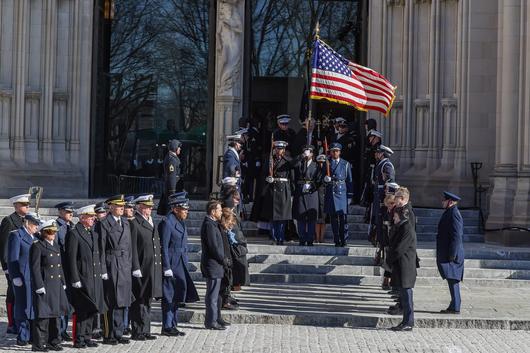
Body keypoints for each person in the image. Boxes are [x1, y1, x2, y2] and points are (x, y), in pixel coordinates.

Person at [159, 192, 200, 336]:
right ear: (175, 209)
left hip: (181, 262)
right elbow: (163, 246)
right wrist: (166, 267)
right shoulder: (167, 222)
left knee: (177, 296)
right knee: (169, 296)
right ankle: (167, 326)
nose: (186, 212)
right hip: (171, 263)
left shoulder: (180, 221)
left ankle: (173, 324)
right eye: (184, 209)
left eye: (187, 209)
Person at [65, 204, 106, 348]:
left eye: (94, 216)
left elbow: (97, 256)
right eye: (91, 217)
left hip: (94, 277)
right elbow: (71, 258)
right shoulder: (74, 233)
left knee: (92, 308)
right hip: (82, 277)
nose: (94, 219)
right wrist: (75, 278)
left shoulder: (93, 233)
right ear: (82, 218)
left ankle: (88, 336)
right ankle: (79, 338)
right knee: (82, 309)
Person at [96, 194, 134, 345]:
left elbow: (129, 247)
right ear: (111, 207)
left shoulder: (125, 222)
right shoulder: (103, 223)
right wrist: (103, 269)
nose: (122, 208)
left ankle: (118, 333)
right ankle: (108, 334)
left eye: (122, 206)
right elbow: (101, 248)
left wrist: (130, 265)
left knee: (121, 301)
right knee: (110, 301)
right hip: (111, 263)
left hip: (124, 264)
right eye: (119, 206)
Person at [30, 220, 70, 352]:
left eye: (54, 231)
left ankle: (53, 341)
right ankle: (39, 344)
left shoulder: (56, 246)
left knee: (55, 316)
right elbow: (35, 268)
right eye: (50, 232)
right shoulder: (38, 246)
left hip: (56, 285)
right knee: (43, 317)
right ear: (43, 233)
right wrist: (39, 285)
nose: (53, 234)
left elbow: (60, 266)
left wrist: (63, 281)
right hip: (45, 285)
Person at [129, 194, 163, 340]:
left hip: (152, 267)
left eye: (150, 207)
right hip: (141, 267)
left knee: (147, 299)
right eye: (147, 207)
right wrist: (135, 266)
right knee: (139, 300)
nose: (150, 209)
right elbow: (133, 247)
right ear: (140, 207)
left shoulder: (150, 221)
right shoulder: (134, 223)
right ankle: (137, 330)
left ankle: (146, 330)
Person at [8, 212, 42, 346]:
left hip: (34, 277)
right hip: (22, 276)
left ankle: (32, 334)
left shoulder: (36, 237)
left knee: (33, 306)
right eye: (34, 224)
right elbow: (12, 258)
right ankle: (22, 336)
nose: (36, 227)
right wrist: (15, 276)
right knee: (22, 307)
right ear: (27, 223)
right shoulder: (16, 235)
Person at [0, 193, 30, 334]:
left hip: (25, 264)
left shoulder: (28, 220)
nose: (27, 206)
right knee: (13, 294)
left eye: (28, 204)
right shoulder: (9, 221)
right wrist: (6, 268)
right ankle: (12, 323)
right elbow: (4, 245)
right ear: (16, 206)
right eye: (24, 204)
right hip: (13, 264)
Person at [200, 200, 230, 330]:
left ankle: (217, 317)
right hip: (212, 265)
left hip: (217, 265)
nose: (220, 212)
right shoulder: (209, 225)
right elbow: (213, 246)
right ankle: (210, 321)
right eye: (218, 210)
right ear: (213, 212)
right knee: (212, 295)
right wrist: (223, 259)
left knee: (217, 295)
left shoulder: (214, 224)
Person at [386, 206, 417, 331]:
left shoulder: (407, 228)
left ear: (401, 216)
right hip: (401, 266)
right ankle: (405, 321)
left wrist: (388, 260)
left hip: (406, 267)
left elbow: (400, 248)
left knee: (407, 295)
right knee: (404, 295)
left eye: (395, 216)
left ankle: (408, 322)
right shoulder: (401, 227)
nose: (393, 217)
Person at [259, 141, 294, 245]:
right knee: (273, 216)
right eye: (277, 149)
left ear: (284, 150)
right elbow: (264, 173)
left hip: (284, 189)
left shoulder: (287, 161)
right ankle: (274, 237)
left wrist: (291, 191)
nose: (279, 151)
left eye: (281, 149)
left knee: (282, 217)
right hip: (273, 188)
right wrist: (267, 178)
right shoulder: (270, 160)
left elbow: (291, 177)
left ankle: (281, 237)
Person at [436, 191, 465, 315]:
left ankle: (455, 306)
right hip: (449, 252)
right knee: (451, 279)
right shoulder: (449, 212)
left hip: (453, 254)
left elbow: (457, 236)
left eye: (444, 200)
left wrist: (452, 254)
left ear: (450, 202)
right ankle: (454, 305)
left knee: (453, 279)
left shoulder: (454, 213)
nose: (442, 202)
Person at [324, 143, 353, 247]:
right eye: (333, 151)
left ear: (340, 152)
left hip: (342, 192)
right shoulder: (327, 163)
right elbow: (321, 176)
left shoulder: (345, 164)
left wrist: (349, 196)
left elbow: (349, 180)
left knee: (343, 218)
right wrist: (325, 179)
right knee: (333, 219)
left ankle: (344, 239)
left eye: (336, 151)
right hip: (331, 191)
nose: (334, 153)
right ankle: (336, 239)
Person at [220, 188, 249, 292]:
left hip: (238, 246)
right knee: (232, 273)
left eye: (238, 198)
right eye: (235, 198)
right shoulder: (226, 212)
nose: (237, 200)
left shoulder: (234, 210)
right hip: (232, 247)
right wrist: (240, 241)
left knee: (239, 271)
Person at [54, 201, 75, 342]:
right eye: (68, 212)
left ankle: (64, 329)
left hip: (70, 269)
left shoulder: (72, 226)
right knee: (61, 302)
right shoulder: (55, 227)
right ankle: (59, 330)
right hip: (60, 269)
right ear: (60, 212)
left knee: (68, 302)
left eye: (72, 212)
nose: (71, 214)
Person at [293, 145, 320, 246]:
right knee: (300, 217)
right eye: (304, 152)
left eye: (308, 152)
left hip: (311, 192)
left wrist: (312, 186)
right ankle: (302, 238)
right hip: (300, 191)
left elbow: (319, 179)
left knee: (311, 218)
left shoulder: (316, 165)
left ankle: (310, 239)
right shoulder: (300, 163)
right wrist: (301, 156)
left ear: (312, 154)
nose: (306, 154)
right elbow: (292, 164)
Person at [371, 145, 396, 247]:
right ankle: (379, 240)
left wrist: (386, 198)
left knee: (382, 219)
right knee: (378, 218)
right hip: (378, 193)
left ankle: (382, 241)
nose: (376, 154)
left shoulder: (387, 165)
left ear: (382, 153)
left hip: (382, 195)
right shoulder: (380, 164)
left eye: (378, 152)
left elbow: (390, 182)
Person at [158, 139, 183, 216]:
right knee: (170, 208)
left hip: (173, 187)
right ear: (175, 148)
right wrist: (173, 190)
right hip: (172, 188)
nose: (180, 149)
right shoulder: (171, 159)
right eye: (179, 147)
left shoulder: (172, 158)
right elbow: (171, 176)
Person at [315, 154, 328, 243]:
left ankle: (322, 238)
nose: (321, 165)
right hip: (316, 195)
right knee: (317, 219)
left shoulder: (327, 171)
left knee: (324, 219)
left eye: (323, 163)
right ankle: (317, 237)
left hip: (325, 195)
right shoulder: (315, 170)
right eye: (319, 163)